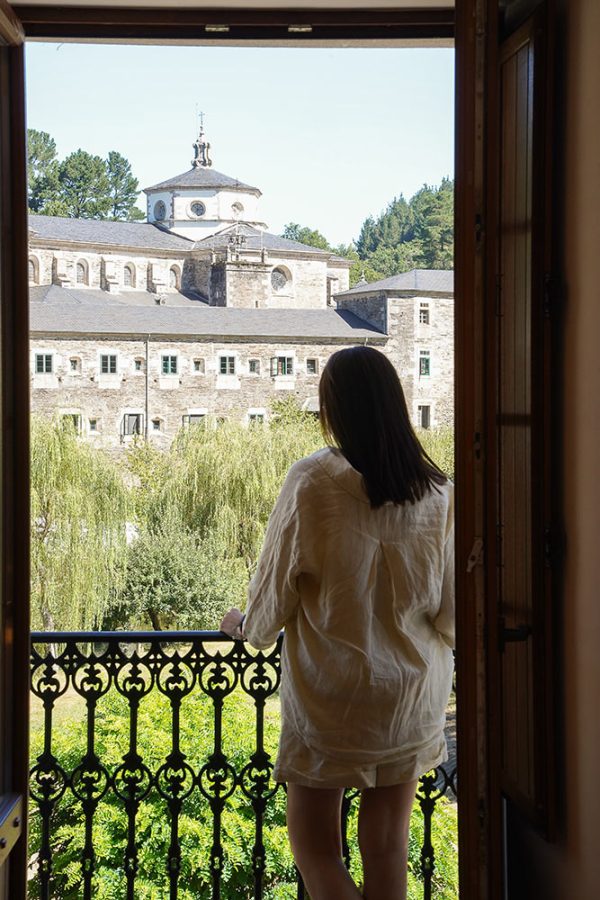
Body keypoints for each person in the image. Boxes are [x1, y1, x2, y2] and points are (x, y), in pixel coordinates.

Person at [220, 345, 454, 900]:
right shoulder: (438, 491)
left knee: (314, 845)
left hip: (332, 699)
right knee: (388, 844)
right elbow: (451, 616)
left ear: (334, 410)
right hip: (412, 695)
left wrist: (242, 625)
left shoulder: (313, 482)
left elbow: (274, 597)